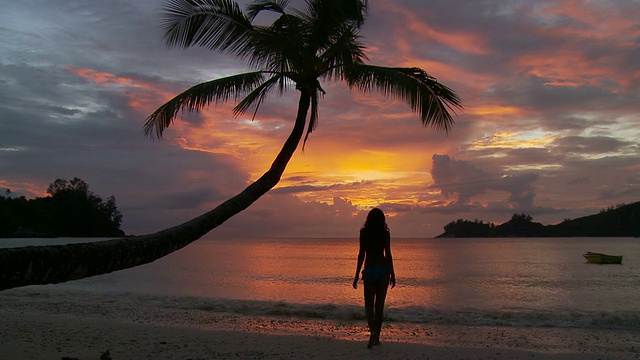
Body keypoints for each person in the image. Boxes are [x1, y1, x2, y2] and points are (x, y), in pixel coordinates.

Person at [352, 208, 396, 348]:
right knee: (379, 307)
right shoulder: (385, 233)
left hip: (370, 270)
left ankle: (373, 332)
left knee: (369, 306)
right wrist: (393, 274)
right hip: (383, 271)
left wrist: (356, 275)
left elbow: (361, 255)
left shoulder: (364, 233)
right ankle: (376, 337)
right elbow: (388, 254)